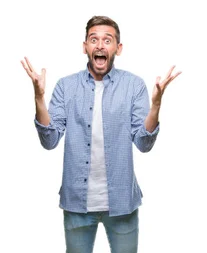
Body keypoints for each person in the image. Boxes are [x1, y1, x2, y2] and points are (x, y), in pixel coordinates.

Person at [21, 15, 181, 253]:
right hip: (76, 203)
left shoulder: (133, 85)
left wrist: (156, 105)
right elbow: (50, 140)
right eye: (93, 39)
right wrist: (38, 97)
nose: (100, 45)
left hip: (122, 203)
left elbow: (144, 143)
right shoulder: (66, 86)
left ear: (118, 47)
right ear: (85, 46)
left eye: (108, 40)